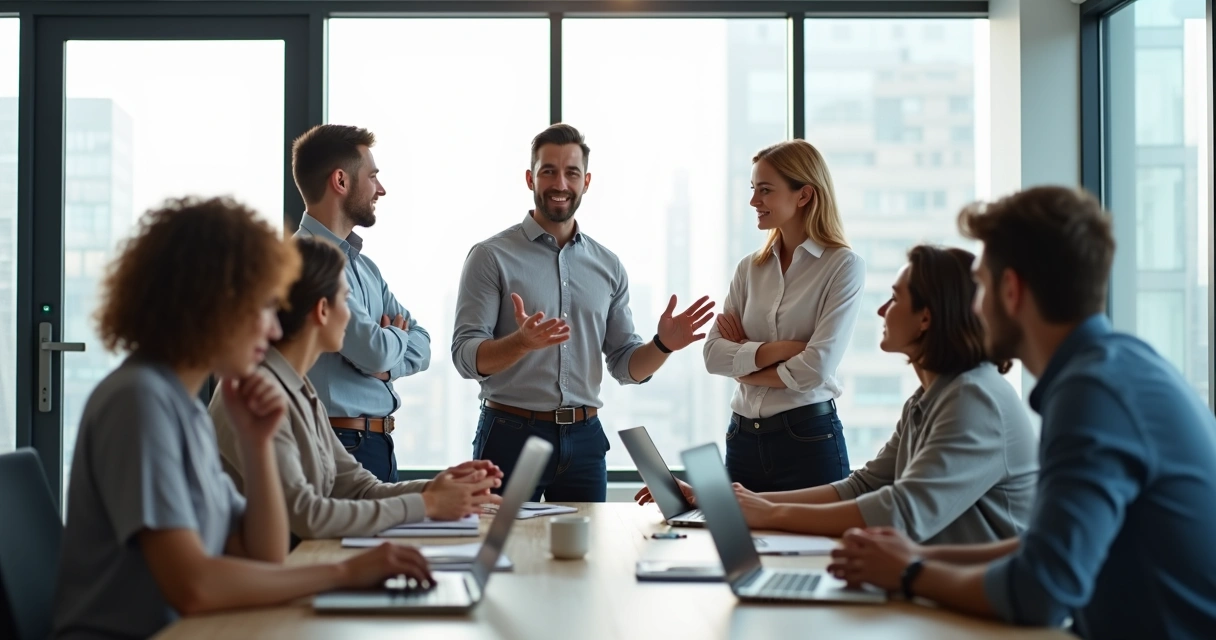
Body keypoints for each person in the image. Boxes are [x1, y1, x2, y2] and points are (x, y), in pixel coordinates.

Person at [827, 186, 1216, 639]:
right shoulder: (1117, 369)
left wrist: (910, 573)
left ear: (1011, 290)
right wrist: (915, 556)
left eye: (983, 288)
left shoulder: (1093, 394)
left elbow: (1042, 592)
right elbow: (1042, 550)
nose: (973, 308)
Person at [51, 198, 433, 640]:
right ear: (213, 302)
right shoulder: (139, 400)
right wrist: (344, 572)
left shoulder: (185, 405)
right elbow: (193, 586)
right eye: (264, 307)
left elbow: (262, 553)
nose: (274, 330)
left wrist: (257, 448)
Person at [451, 123, 715, 502]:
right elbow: (465, 358)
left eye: (571, 173)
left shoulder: (607, 265)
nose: (561, 183)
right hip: (510, 435)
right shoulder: (490, 257)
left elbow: (626, 366)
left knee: (584, 556)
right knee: (504, 554)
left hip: (585, 440)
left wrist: (662, 345)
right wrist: (521, 343)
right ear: (530, 178)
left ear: (586, 181)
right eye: (549, 171)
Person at [728, 245, 1038, 543]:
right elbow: (864, 486)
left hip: (979, 591)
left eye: (893, 298)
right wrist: (749, 503)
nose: (881, 310)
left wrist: (771, 514)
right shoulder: (928, 399)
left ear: (925, 318)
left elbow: (901, 511)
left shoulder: (973, 399)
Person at [209, 237, 504, 540]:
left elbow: (359, 488)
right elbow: (306, 515)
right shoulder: (257, 393)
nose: (355, 316)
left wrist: (436, 488)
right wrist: (428, 503)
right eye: (348, 298)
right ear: (322, 310)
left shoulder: (301, 390)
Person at [702, 140, 864, 491]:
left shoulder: (843, 266)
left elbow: (815, 367)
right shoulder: (750, 268)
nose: (753, 201)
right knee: (738, 545)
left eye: (765, 190)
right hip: (741, 438)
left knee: (812, 546)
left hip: (808, 441)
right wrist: (780, 350)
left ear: (803, 195)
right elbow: (713, 356)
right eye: (753, 189)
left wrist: (744, 362)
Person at [291, 124, 430, 482]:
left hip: (376, 442)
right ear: (341, 180)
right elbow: (373, 350)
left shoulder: (365, 268)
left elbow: (423, 343)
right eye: (373, 177)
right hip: (338, 442)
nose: (381, 189)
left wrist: (386, 364)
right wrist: (387, 350)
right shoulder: (306, 258)